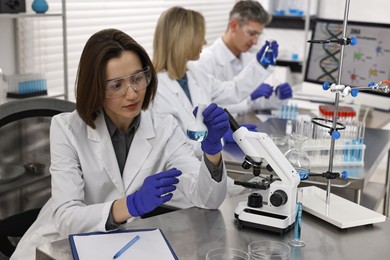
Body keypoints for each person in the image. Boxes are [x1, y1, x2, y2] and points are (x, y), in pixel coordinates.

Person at [11, 28, 229, 259]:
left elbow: (207, 199)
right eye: (116, 85)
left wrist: (212, 150)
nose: (133, 94)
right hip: (57, 246)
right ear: (94, 87)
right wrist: (129, 205)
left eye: (137, 78)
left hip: (124, 243)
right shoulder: (66, 129)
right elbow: (67, 218)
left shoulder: (165, 127)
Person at [152, 6, 275, 198]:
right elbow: (178, 152)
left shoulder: (194, 73)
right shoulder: (156, 90)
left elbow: (232, 91)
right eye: (199, 36)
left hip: (204, 169)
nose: (205, 41)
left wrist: (260, 66)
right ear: (183, 39)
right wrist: (212, 140)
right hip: (179, 190)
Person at [195, 0, 293, 112]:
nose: (255, 42)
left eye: (258, 35)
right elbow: (206, 108)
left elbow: (254, 103)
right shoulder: (205, 60)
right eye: (251, 34)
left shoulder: (248, 58)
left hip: (240, 124)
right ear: (234, 25)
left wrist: (277, 97)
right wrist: (249, 96)